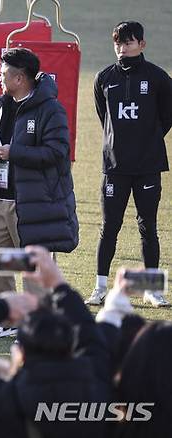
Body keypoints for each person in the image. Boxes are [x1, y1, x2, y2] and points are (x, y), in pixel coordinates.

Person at [0, 246, 112, 438]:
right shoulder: (98, 383)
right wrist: (59, 284)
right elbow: (90, 336)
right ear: (71, 346)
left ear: (19, 353)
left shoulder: (4, 399)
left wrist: (4, 304)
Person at [0, 48, 78, 338]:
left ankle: (38, 322)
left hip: (31, 203)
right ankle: (8, 318)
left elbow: (57, 152)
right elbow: (0, 139)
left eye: (4, 74)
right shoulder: (3, 104)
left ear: (20, 77)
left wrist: (13, 152)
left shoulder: (50, 109)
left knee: (32, 265)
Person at [87, 21, 172, 308]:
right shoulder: (103, 77)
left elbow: (166, 116)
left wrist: (146, 140)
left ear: (142, 44)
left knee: (147, 226)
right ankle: (99, 288)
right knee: (109, 227)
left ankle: (152, 290)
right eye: (118, 43)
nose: (122, 48)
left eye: (129, 42)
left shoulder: (159, 78)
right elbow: (104, 116)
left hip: (147, 165)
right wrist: (119, 141)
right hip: (115, 165)